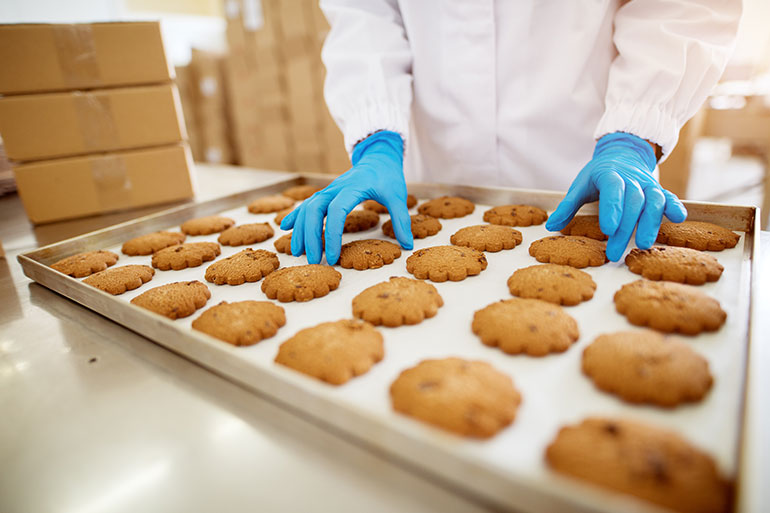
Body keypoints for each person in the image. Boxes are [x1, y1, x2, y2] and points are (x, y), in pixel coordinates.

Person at [282, 0, 742, 266]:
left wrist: (635, 133)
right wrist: (376, 139)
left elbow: (684, 8)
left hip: (585, 172)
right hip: (430, 192)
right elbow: (364, 14)